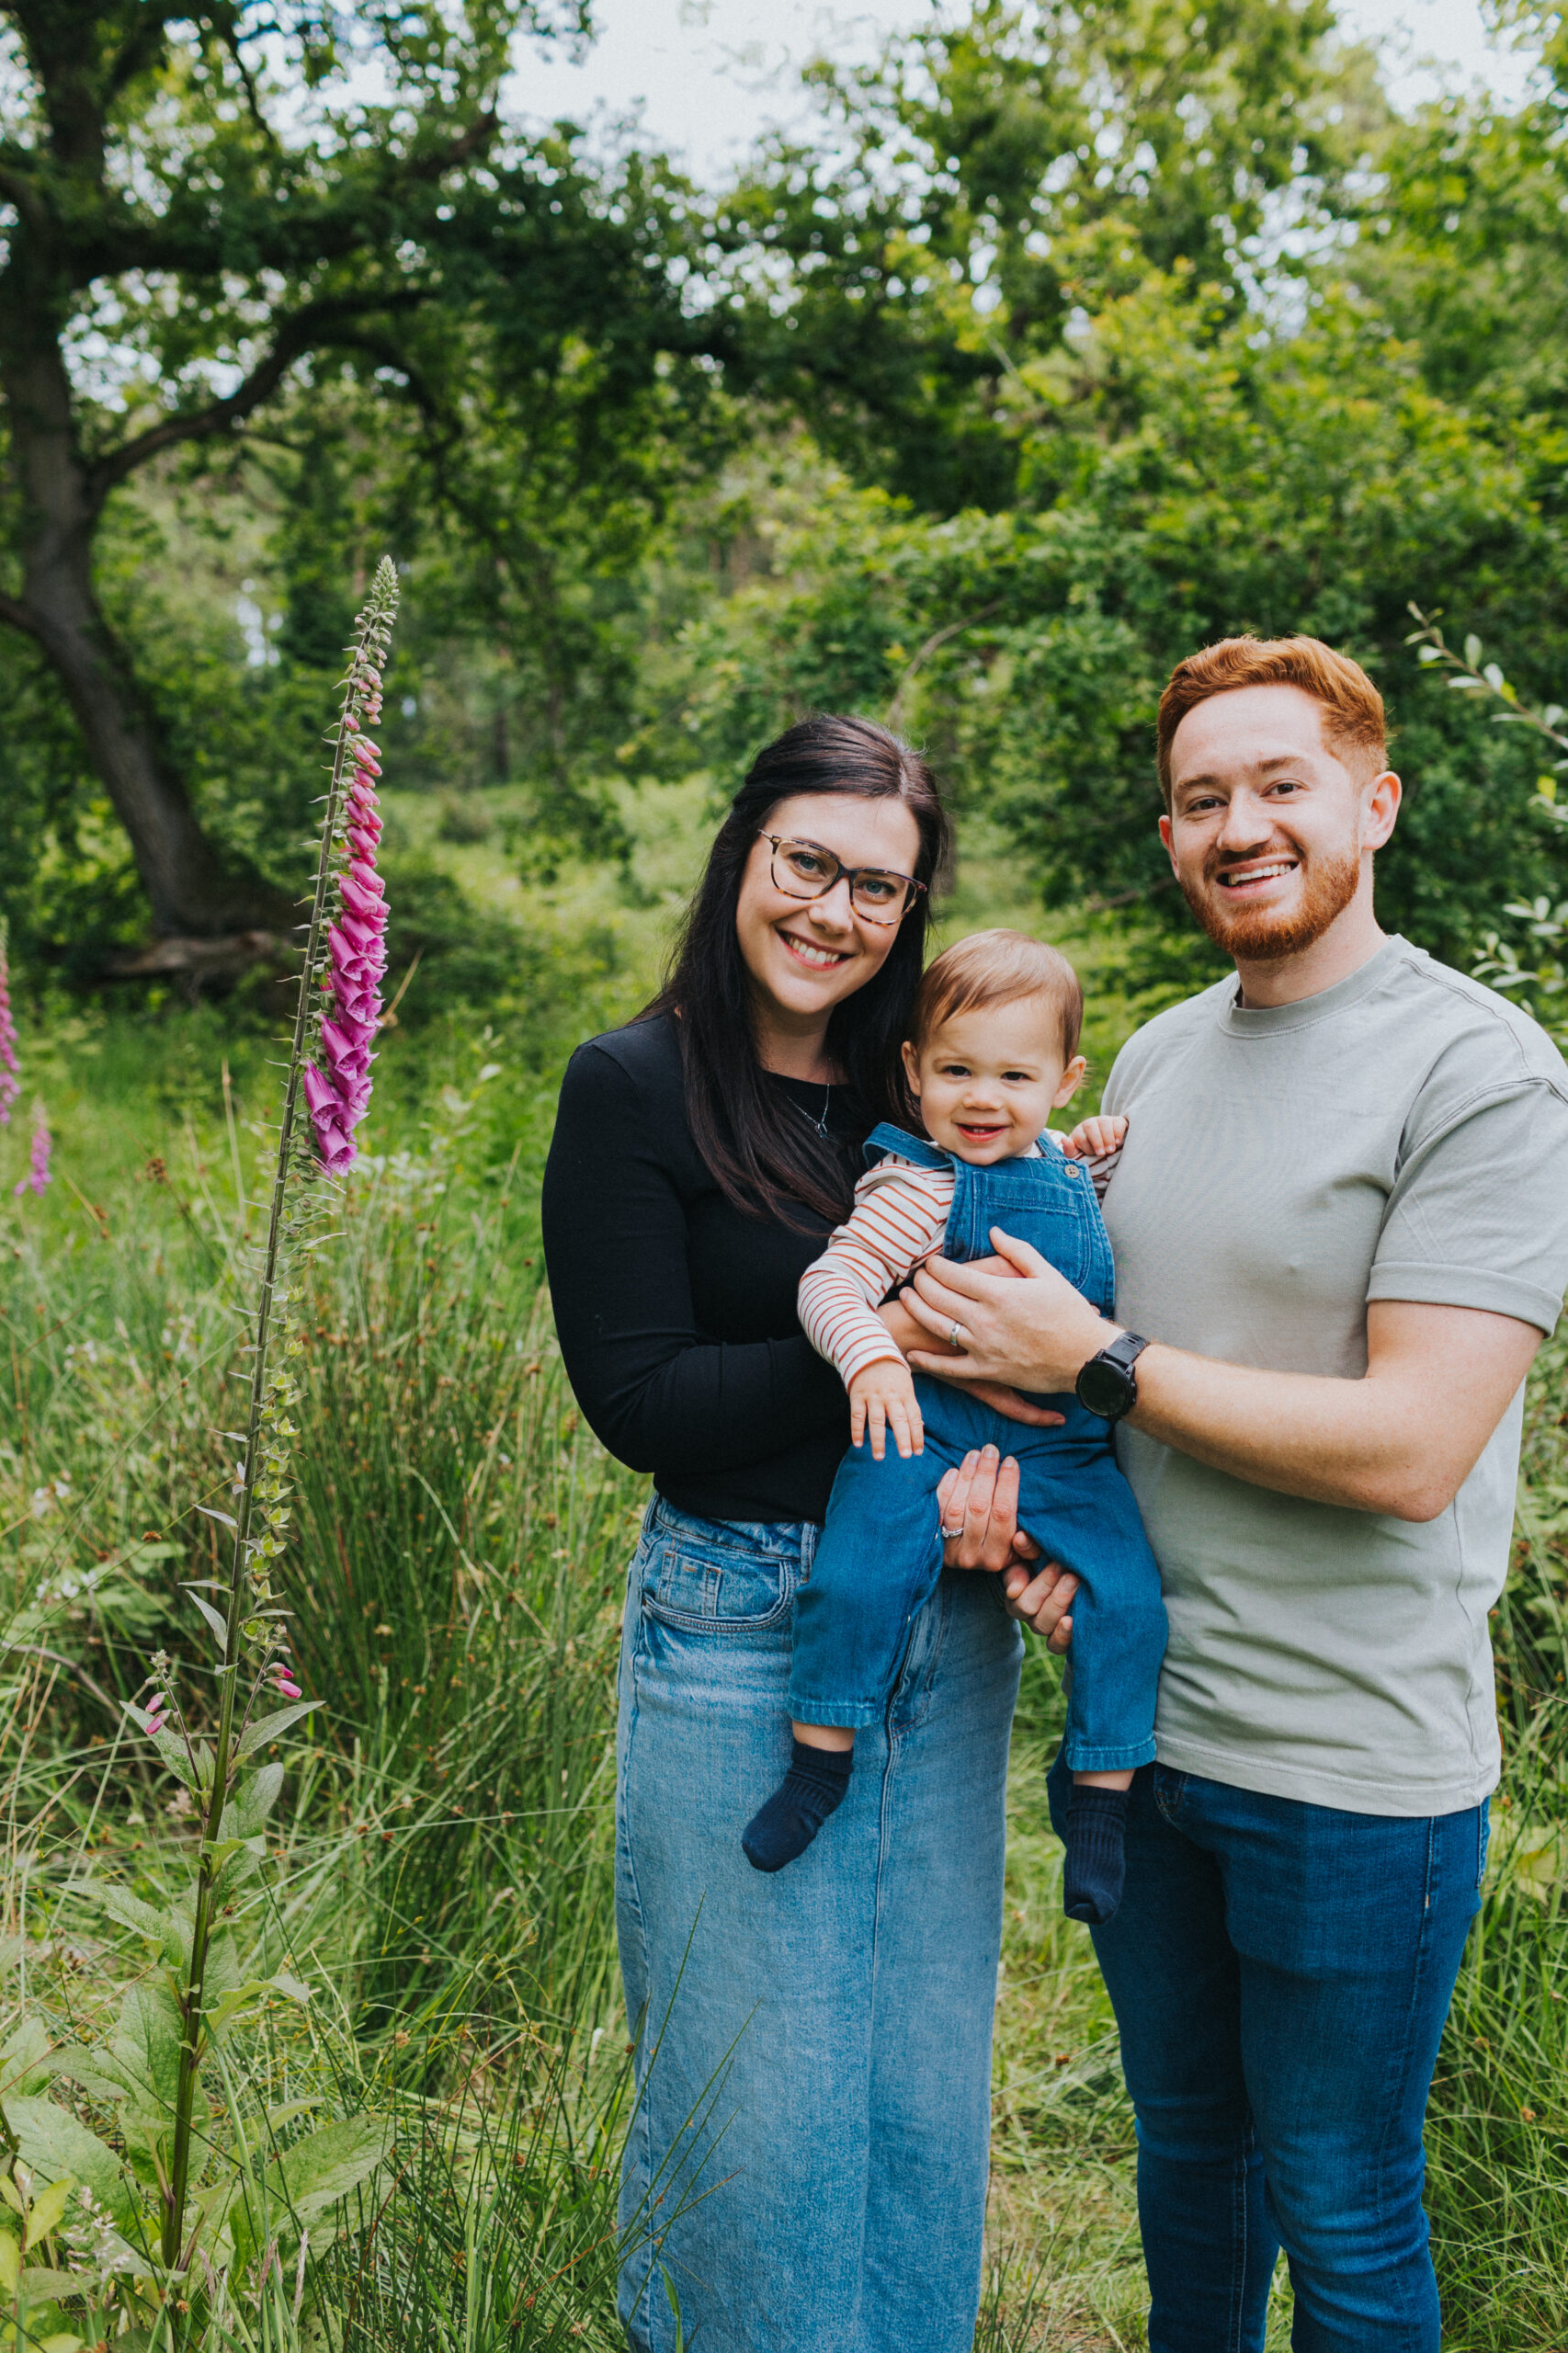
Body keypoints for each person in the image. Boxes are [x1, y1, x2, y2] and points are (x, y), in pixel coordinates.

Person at [894, 635, 1568, 2351]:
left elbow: (1414, 1450)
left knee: (1340, 2199)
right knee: (1188, 2164)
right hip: (1141, 1736)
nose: (1238, 825)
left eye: (1278, 785)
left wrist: (1093, 1365)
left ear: (1373, 802)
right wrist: (1027, 1538)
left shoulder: (1482, 1076)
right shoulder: (1148, 1066)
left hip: (1350, 1771)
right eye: (1201, 799)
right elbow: (1084, 1375)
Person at [540, 716, 1064, 2353]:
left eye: (881, 890)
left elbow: (1051, 1271)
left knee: (917, 2095)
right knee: (752, 2108)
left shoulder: (935, 1082)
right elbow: (641, 1400)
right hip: (739, 1618)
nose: (838, 912)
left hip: (945, 1615)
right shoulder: (631, 1085)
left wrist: (1012, 1482)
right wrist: (881, 1343)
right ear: (743, 853)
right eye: (809, 865)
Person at [742, 928, 1167, 1930]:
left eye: (1015, 1075)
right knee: (855, 1575)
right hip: (922, 1428)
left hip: (1061, 1446)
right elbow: (830, 1281)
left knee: (1131, 1598)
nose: (984, 1098)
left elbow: (1094, 1230)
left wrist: (1099, 1155)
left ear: (1064, 1081)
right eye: (957, 1070)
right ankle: (820, 1759)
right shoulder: (919, 1185)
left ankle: (1103, 1802)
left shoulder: (1065, 1169)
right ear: (913, 1072)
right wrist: (875, 1355)